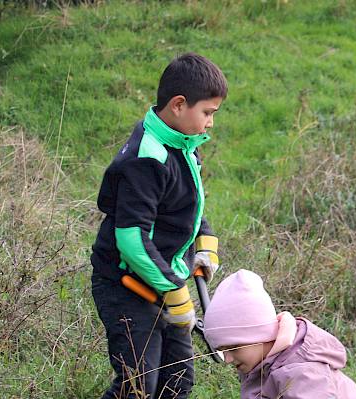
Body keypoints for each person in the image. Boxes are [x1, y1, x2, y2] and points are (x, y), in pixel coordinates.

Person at [89, 52, 226, 399]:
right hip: (125, 286)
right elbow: (132, 239)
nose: (210, 123)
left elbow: (186, 206)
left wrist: (205, 240)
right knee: (138, 386)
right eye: (207, 113)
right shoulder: (148, 158)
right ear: (179, 105)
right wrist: (175, 292)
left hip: (164, 282)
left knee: (176, 382)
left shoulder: (184, 144)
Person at [203, 269, 356, 399]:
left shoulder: (302, 374)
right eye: (222, 349)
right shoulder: (261, 362)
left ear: (259, 336)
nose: (227, 359)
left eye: (234, 348)